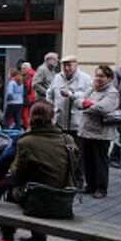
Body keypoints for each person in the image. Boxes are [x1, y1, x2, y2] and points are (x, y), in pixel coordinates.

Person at [1, 100, 79, 241]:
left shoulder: (26, 142)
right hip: (63, 197)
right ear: (52, 119)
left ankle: (8, 238)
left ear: (31, 119)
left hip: (37, 198)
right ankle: (39, 239)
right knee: (36, 188)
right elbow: (74, 165)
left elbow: (17, 173)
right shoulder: (68, 140)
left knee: (12, 192)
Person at [46, 55, 93, 185]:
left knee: (77, 153)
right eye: (64, 65)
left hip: (77, 124)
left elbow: (87, 97)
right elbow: (49, 93)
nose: (66, 68)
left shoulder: (86, 79)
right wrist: (51, 107)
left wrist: (71, 94)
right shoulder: (57, 77)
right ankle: (62, 179)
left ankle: (78, 180)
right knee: (61, 153)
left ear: (76, 64)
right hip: (60, 122)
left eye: (69, 65)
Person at [77, 66, 119, 198]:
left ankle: (101, 189)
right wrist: (89, 103)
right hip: (86, 131)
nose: (98, 79)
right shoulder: (91, 88)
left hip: (101, 134)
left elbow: (102, 108)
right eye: (97, 75)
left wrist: (87, 104)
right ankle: (90, 186)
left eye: (102, 76)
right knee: (88, 161)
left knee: (100, 162)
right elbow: (78, 101)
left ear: (109, 78)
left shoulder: (112, 93)